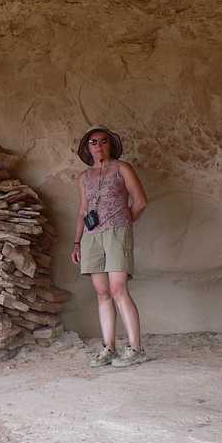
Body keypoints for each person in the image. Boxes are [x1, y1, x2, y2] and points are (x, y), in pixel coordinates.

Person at [71, 126, 148, 367]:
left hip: (116, 232)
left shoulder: (122, 168)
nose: (98, 146)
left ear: (110, 144)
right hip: (91, 236)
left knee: (118, 289)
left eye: (103, 141)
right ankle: (109, 348)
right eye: (93, 142)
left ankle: (136, 348)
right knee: (102, 292)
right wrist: (76, 242)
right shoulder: (83, 177)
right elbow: (83, 211)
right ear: (88, 147)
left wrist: (125, 222)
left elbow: (140, 201)